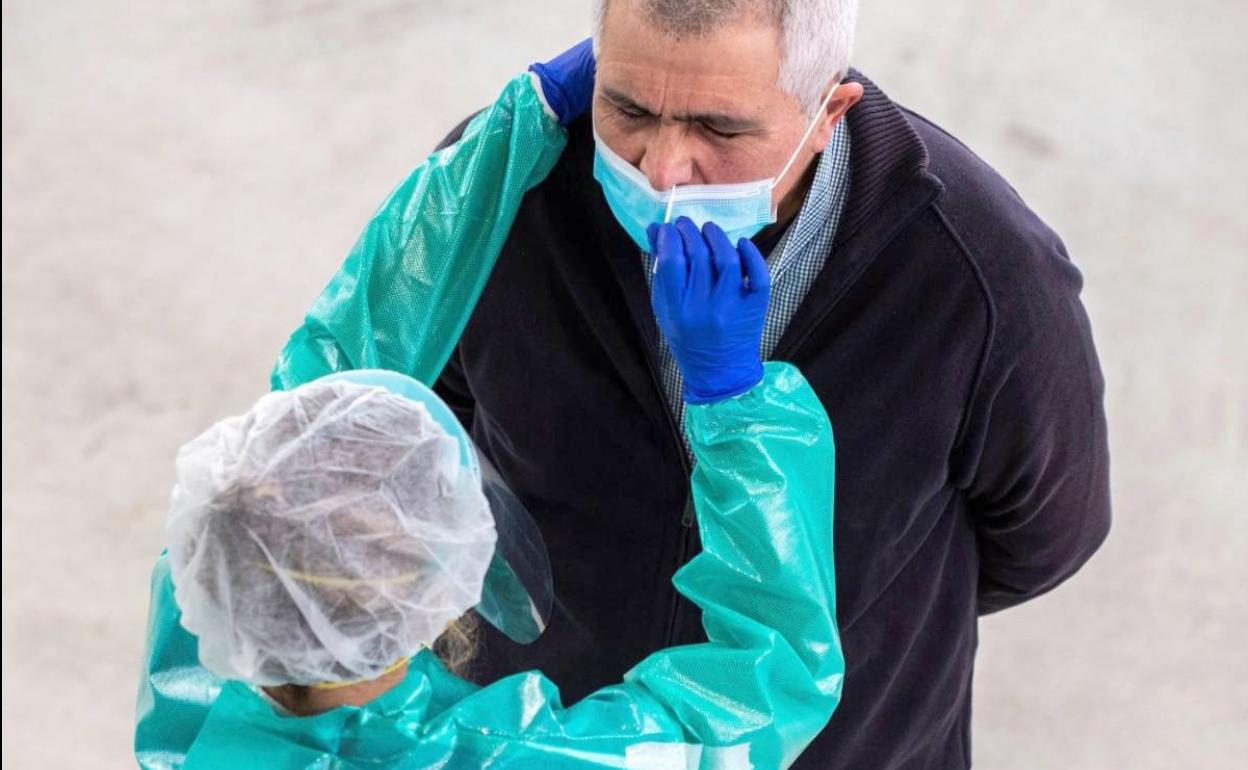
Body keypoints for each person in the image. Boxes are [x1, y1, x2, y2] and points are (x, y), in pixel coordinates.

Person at [272, 2, 1113, 768]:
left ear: (828, 112)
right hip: (543, 728)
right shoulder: (498, 198)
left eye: (720, 127)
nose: (665, 168)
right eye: (629, 110)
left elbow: (1045, 535)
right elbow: (393, 412)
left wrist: (862, 605)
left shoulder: (978, 274)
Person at [137, 42, 843, 769]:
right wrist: (732, 401)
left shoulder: (194, 704)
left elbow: (325, 401)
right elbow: (767, 686)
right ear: (438, 604)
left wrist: (511, 136)